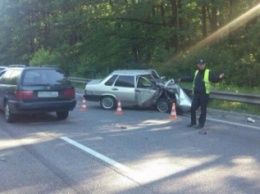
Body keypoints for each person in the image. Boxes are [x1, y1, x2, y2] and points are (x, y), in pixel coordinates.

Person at [178, 59, 224, 133]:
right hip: (196, 94)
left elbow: (214, 79)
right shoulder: (196, 72)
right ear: (198, 65)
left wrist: (220, 77)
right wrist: (182, 79)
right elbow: (190, 78)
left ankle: (201, 124)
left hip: (204, 94)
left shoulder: (208, 72)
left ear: (204, 64)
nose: (201, 65)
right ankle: (193, 122)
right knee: (192, 108)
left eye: (202, 64)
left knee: (203, 110)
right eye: (200, 64)